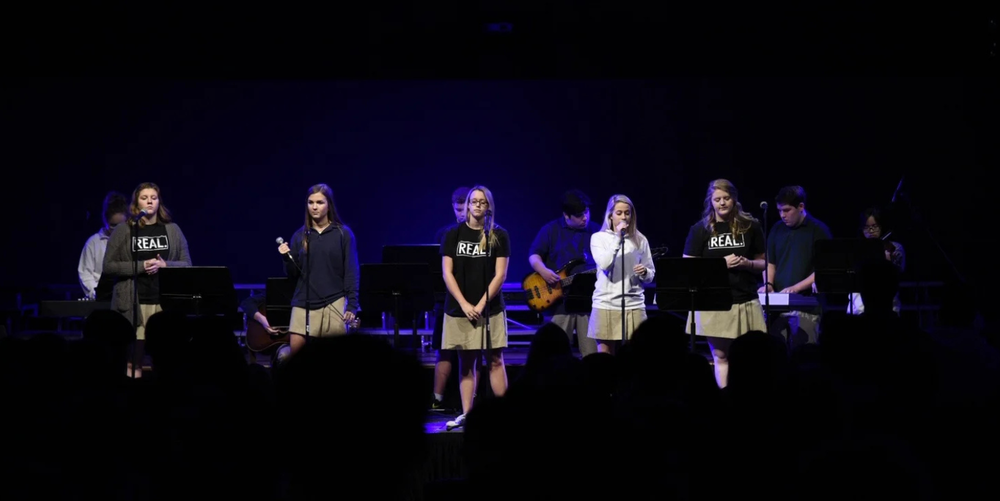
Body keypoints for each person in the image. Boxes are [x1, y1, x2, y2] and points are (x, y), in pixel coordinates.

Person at [682, 179, 767, 387]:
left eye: (726, 198)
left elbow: (763, 263)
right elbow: (688, 267)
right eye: (717, 199)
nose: (722, 203)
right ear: (710, 202)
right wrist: (721, 264)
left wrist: (747, 263)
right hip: (713, 302)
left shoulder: (751, 226)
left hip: (745, 299)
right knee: (721, 356)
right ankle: (725, 399)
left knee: (751, 358)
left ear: (734, 199)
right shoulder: (700, 229)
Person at [102, 182, 192, 377]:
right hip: (134, 301)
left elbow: (187, 263)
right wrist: (141, 266)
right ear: (136, 203)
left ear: (159, 202)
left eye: (154, 197)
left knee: (167, 358)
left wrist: (165, 265)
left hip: (164, 303)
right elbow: (108, 266)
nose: (150, 201)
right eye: (144, 197)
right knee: (134, 359)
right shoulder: (124, 230)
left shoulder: (173, 229)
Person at [441, 185, 511, 430]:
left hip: (489, 310)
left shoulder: (498, 236)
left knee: (494, 359)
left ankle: (503, 415)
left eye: (483, 202)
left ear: (488, 206)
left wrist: (481, 304)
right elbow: (447, 273)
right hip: (460, 309)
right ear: (468, 204)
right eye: (474, 201)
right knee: (466, 362)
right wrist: (464, 303)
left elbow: (500, 275)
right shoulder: (453, 234)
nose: (478, 205)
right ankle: (468, 414)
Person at [277, 183, 360, 356]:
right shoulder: (300, 236)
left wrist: (352, 304)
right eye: (310, 202)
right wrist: (286, 257)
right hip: (303, 302)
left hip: (334, 301)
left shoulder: (343, 234)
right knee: (296, 358)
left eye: (320, 202)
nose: (314, 207)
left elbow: (351, 271)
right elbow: (293, 274)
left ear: (329, 204)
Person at [527, 189, 602, 358]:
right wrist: (543, 271)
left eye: (587, 212)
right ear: (566, 215)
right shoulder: (551, 230)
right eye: (579, 215)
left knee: (592, 354)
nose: (585, 217)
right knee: (555, 354)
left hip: (588, 302)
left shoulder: (597, 231)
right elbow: (534, 255)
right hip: (559, 302)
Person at [757, 185, 832, 347]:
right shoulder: (777, 229)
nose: (782, 215)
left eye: (787, 210)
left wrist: (796, 288)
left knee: (804, 355)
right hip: (778, 308)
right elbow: (770, 262)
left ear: (801, 207)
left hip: (807, 306)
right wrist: (768, 284)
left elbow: (823, 268)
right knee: (776, 354)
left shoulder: (818, 230)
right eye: (779, 211)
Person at [588, 194, 656, 355]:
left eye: (627, 213)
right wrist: (618, 238)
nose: (623, 217)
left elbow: (650, 274)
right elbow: (605, 264)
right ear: (610, 215)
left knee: (638, 354)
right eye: (619, 213)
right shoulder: (598, 238)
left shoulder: (640, 239)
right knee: (605, 356)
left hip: (634, 304)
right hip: (606, 303)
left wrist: (644, 272)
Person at [430, 186, 470, 411]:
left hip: (472, 301)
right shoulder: (444, 233)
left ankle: (470, 403)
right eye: (457, 209)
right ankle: (437, 398)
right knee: (443, 349)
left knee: (470, 353)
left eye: (463, 209)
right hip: (445, 301)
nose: (460, 214)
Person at [848, 205, 906, 315]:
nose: (870, 231)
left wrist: (887, 258)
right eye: (866, 227)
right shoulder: (857, 248)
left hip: (888, 304)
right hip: (858, 305)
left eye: (875, 226)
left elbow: (896, 276)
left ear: (881, 226)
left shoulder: (895, 248)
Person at [78, 191, 128, 299]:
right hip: (101, 300)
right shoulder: (93, 242)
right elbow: (85, 275)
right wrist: (97, 294)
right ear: (105, 220)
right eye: (113, 226)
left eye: (121, 226)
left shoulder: (130, 240)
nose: (117, 230)